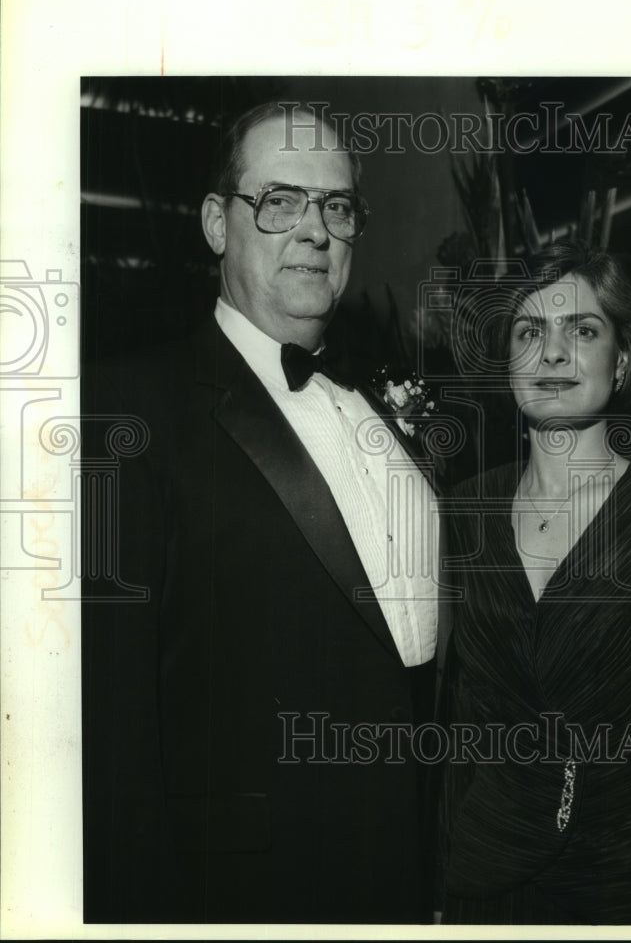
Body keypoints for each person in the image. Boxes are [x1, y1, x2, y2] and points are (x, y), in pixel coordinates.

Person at [81, 101, 440, 924]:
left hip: (410, 873)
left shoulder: (381, 406)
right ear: (217, 222)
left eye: (337, 206)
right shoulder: (121, 411)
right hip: (244, 893)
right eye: (279, 200)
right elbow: (107, 728)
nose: (314, 230)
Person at [438, 241, 631, 924]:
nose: (552, 354)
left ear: (620, 359)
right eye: (530, 332)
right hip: (485, 883)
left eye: (581, 330)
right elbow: (458, 728)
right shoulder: (463, 511)